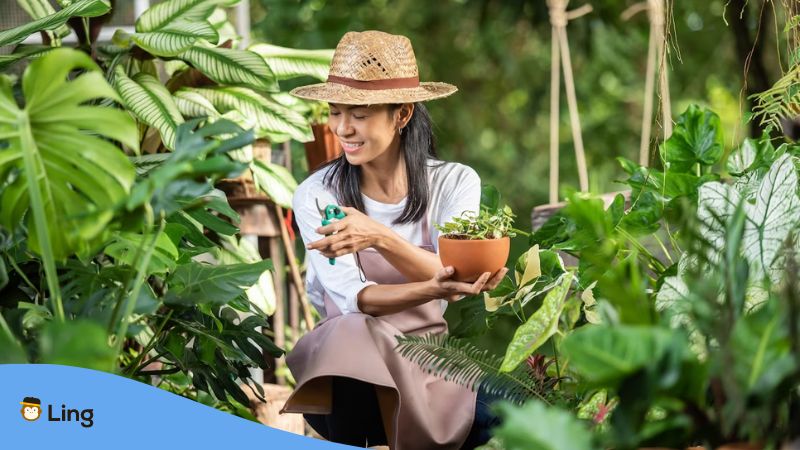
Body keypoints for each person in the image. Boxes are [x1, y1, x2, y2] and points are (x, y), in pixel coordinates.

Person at [280, 30, 507, 449]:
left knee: (518, 409)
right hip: (344, 377)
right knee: (350, 332)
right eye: (335, 112)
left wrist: (379, 237)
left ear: (402, 114)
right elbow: (355, 299)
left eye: (359, 115)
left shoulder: (453, 182)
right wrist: (436, 283)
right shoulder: (318, 193)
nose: (342, 128)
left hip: (428, 361)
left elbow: (457, 277)